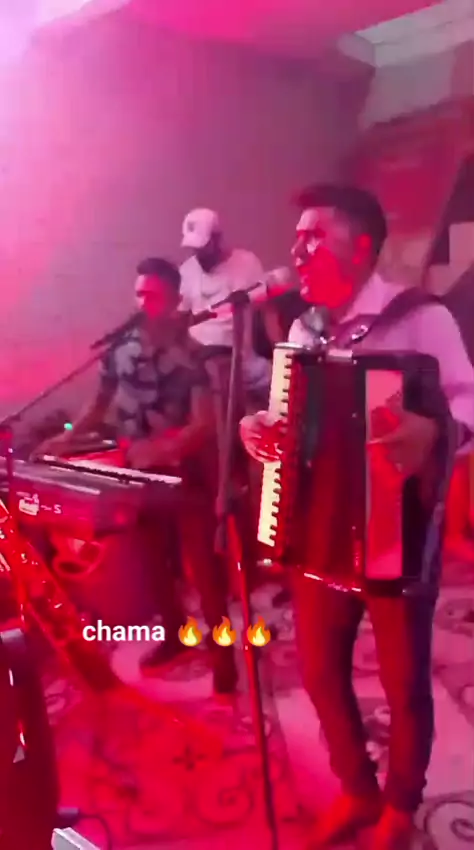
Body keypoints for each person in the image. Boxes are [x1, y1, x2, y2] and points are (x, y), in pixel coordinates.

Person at [239, 185, 474, 849]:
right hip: (318, 529)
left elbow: (469, 398)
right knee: (319, 672)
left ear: (362, 245)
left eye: (314, 235)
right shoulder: (303, 330)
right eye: (297, 238)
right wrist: (261, 428)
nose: (297, 250)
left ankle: (401, 803)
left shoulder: (419, 318)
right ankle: (357, 789)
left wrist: (438, 431)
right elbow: (286, 416)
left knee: (403, 683)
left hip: (395, 524)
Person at [39, 257, 238, 696]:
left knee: (204, 572)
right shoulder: (120, 349)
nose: (144, 303)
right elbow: (99, 403)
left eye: (154, 296)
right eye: (139, 294)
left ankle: (224, 659)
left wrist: (161, 450)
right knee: (154, 563)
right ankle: (175, 635)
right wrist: (66, 437)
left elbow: (204, 423)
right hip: (138, 475)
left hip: (186, 476)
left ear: (174, 300)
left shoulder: (193, 354)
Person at [179, 207, 273, 410]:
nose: (199, 255)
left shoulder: (246, 263)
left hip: (242, 359)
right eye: (194, 249)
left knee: (284, 387)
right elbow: (179, 319)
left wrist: (280, 347)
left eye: (203, 247)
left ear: (217, 238)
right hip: (202, 359)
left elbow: (266, 311)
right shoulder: (186, 271)